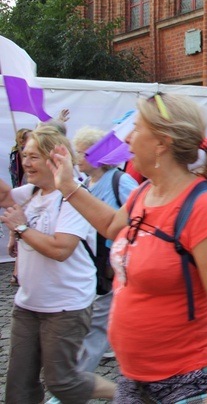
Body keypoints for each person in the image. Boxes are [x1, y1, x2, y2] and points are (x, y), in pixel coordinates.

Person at [48, 93, 207, 402]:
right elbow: (112, 226)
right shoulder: (143, 193)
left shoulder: (206, 206)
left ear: (161, 143)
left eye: (136, 129)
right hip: (134, 376)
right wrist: (69, 186)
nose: (127, 140)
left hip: (185, 382)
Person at [0, 125, 116, 403]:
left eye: (34, 157)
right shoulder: (31, 193)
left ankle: (125, 394)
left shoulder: (72, 198)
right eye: (24, 156)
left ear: (54, 160)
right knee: (19, 386)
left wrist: (22, 228)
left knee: (63, 382)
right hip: (28, 303)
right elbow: (3, 196)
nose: (26, 163)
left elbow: (61, 249)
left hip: (66, 306)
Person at [72, 126, 138, 375]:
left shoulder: (120, 180)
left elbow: (140, 217)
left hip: (116, 264)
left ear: (94, 155)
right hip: (93, 262)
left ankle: (73, 381)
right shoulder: (86, 183)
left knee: (97, 320)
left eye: (80, 153)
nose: (76, 158)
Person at [8, 128, 31, 286]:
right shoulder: (20, 155)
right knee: (23, 237)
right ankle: (17, 272)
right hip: (25, 197)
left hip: (25, 195)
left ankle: (17, 272)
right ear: (22, 141)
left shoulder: (18, 154)